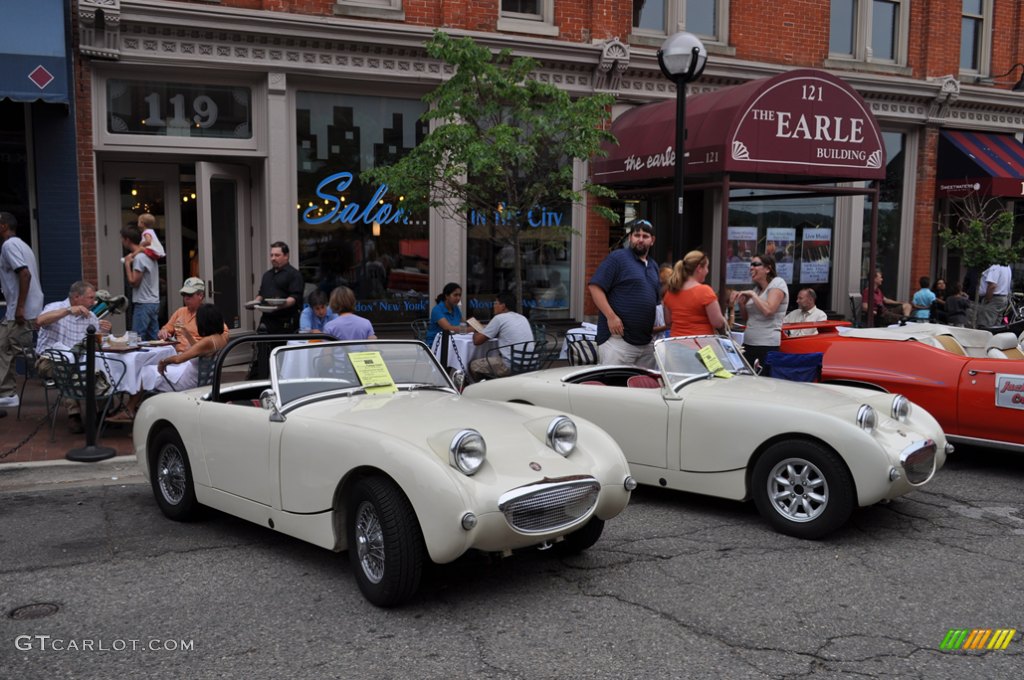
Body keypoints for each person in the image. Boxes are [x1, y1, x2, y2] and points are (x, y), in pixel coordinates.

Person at [108, 304, 229, 423]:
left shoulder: (207, 341)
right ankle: (136, 408)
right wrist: (186, 334)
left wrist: (164, 362)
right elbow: (199, 349)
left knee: (145, 371)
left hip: (188, 382)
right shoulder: (219, 338)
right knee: (152, 370)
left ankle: (130, 410)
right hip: (198, 377)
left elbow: (179, 359)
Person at [34, 281, 113, 433]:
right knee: (68, 368)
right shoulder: (55, 307)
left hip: (81, 358)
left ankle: (103, 413)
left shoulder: (90, 316)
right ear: (77, 297)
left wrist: (105, 332)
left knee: (103, 368)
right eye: (90, 298)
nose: (94, 302)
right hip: (49, 359)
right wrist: (69, 311)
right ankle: (74, 415)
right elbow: (39, 322)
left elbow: (98, 343)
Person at [588, 219, 660, 369]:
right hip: (618, 342)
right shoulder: (617, 258)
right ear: (630, 238)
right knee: (615, 389)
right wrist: (611, 316)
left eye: (645, 236)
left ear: (652, 240)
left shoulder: (654, 266)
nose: (640, 239)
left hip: (646, 344)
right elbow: (595, 287)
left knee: (645, 390)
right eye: (636, 235)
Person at [0, 212, 44, 409]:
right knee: (8, 347)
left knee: (13, 349)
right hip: (24, 308)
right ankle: (6, 391)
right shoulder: (23, 245)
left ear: (3, 226)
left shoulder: (9, 245)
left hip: (20, 310)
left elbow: (24, 274)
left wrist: (19, 307)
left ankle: (8, 392)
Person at [731, 253, 789, 370]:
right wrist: (741, 303)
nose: (751, 267)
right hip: (748, 343)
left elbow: (769, 310)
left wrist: (752, 295)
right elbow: (748, 319)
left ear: (768, 269)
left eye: (756, 264)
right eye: (751, 264)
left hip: (766, 345)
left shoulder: (778, 283)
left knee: (762, 384)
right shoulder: (757, 289)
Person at [468, 291, 534, 381]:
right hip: (530, 363)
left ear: (503, 306)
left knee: (474, 365)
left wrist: (475, 328)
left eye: (496, 303)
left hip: (511, 365)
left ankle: (484, 389)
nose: (493, 306)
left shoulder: (499, 318)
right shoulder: (522, 318)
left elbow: (477, 341)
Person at [662, 250, 727, 337]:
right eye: (706, 267)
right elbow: (717, 323)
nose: (707, 271)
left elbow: (668, 322)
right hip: (701, 346)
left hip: (676, 345)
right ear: (699, 268)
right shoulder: (705, 291)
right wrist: (723, 319)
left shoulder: (670, 292)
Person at [157, 277, 230, 353]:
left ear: (200, 296)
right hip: (178, 354)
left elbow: (224, 335)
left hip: (198, 356)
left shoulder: (208, 314)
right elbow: (167, 328)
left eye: (189, 295)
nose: (186, 298)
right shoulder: (180, 311)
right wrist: (163, 331)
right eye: (184, 294)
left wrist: (208, 346)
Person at [252, 241, 305, 333]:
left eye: (277, 255)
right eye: (271, 255)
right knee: (262, 346)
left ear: (286, 256)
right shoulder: (267, 275)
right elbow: (261, 294)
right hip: (266, 322)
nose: (273, 258)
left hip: (285, 323)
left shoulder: (294, 275)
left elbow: (295, 297)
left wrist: (279, 306)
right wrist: (254, 303)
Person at [120, 224, 160, 340]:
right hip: (154, 301)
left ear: (127, 240)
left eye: (122, 239)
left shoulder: (140, 258)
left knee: (136, 338)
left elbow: (134, 282)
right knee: (154, 339)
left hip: (143, 303)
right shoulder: (149, 255)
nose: (122, 242)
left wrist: (127, 264)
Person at [426, 282, 467, 348]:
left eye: (460, 295)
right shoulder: (437, 309)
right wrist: (471, 329)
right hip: (436, 344)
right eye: (455, 295)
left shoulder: (455, 308)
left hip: (452, 341)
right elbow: (448, 328)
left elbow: (463, 323)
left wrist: (475, 325)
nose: (458, 298)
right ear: (447, 296)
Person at [976, 261, 1012, 328]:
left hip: (993, 298)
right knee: (996, 326)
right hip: (1003, 298)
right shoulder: (1007, 267)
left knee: (985, 325)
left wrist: (987, 299)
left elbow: (992, 286)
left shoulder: (995, 267)